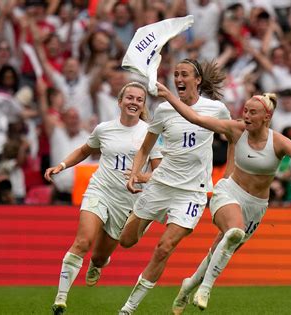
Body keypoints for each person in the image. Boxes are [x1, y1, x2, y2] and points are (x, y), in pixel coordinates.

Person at [153, 82, 291, 313]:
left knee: (223, 248)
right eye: (245, 111)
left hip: (257, 205)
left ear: (267, 117)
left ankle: (189, 285)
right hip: (229, 191)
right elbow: (196, 118)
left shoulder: (279, 142)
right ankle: (206, 289)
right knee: (234, 232)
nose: (247, 116)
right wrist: (169, 96)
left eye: (253, 112)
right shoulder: (236, 130)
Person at [117, 59, 232, 315]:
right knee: (126, 241)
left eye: (184, 74)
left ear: (197, 80)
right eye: (176, 75)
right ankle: (144, 221)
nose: (178, 78)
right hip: (161, 184)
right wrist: (135, 173)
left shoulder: (216, 109)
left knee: (164, 248)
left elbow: (235, 137)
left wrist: (231, 175)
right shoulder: (164, 110)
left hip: (192, 192)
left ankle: (128, 307)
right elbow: (146, 148)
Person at [46, 82, 162, 315]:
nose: (134, 102)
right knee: (83, 242)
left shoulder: (150, 133)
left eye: (139, 99)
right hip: (100, 190)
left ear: (143, 105)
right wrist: (62, 165)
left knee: (99, 257)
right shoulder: (104, 129)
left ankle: (97, 264)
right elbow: (84, 151)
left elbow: (159, 171)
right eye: (129, 98)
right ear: (120, 102)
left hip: (127, 201)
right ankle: (60, 299)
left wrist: (140, 176)